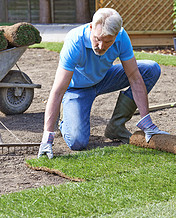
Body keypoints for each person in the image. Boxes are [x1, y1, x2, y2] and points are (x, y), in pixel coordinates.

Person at [38, 8, 167, 159]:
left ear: (116, 35)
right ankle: (64, 121)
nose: (100, 46)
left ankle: (116, 127)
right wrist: (48, 137)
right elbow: (58, 91)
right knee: (77, 142)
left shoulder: (121, 37)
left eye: (108, 41)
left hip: (104, 78)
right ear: (91, 27)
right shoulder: (75, 41)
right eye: (97, 39)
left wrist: (147, 123)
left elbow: (134, 78)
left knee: (150, 69)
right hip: (77, 88)